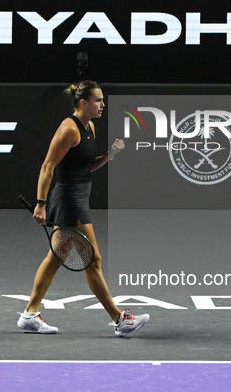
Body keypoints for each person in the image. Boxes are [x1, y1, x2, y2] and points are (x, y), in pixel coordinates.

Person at [17, 80, 149, 337]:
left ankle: (29, 314)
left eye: (102, 100)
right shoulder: (69, 128)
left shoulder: (90, 127)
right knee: (93, 260)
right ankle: (119, 318)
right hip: (69, 201)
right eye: (98, 100)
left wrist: (110, 154)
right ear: (83, 103)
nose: (102, 104)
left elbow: (85, 167)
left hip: (79, 197)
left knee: (55, 257)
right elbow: (47, 166)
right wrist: (41, 204)